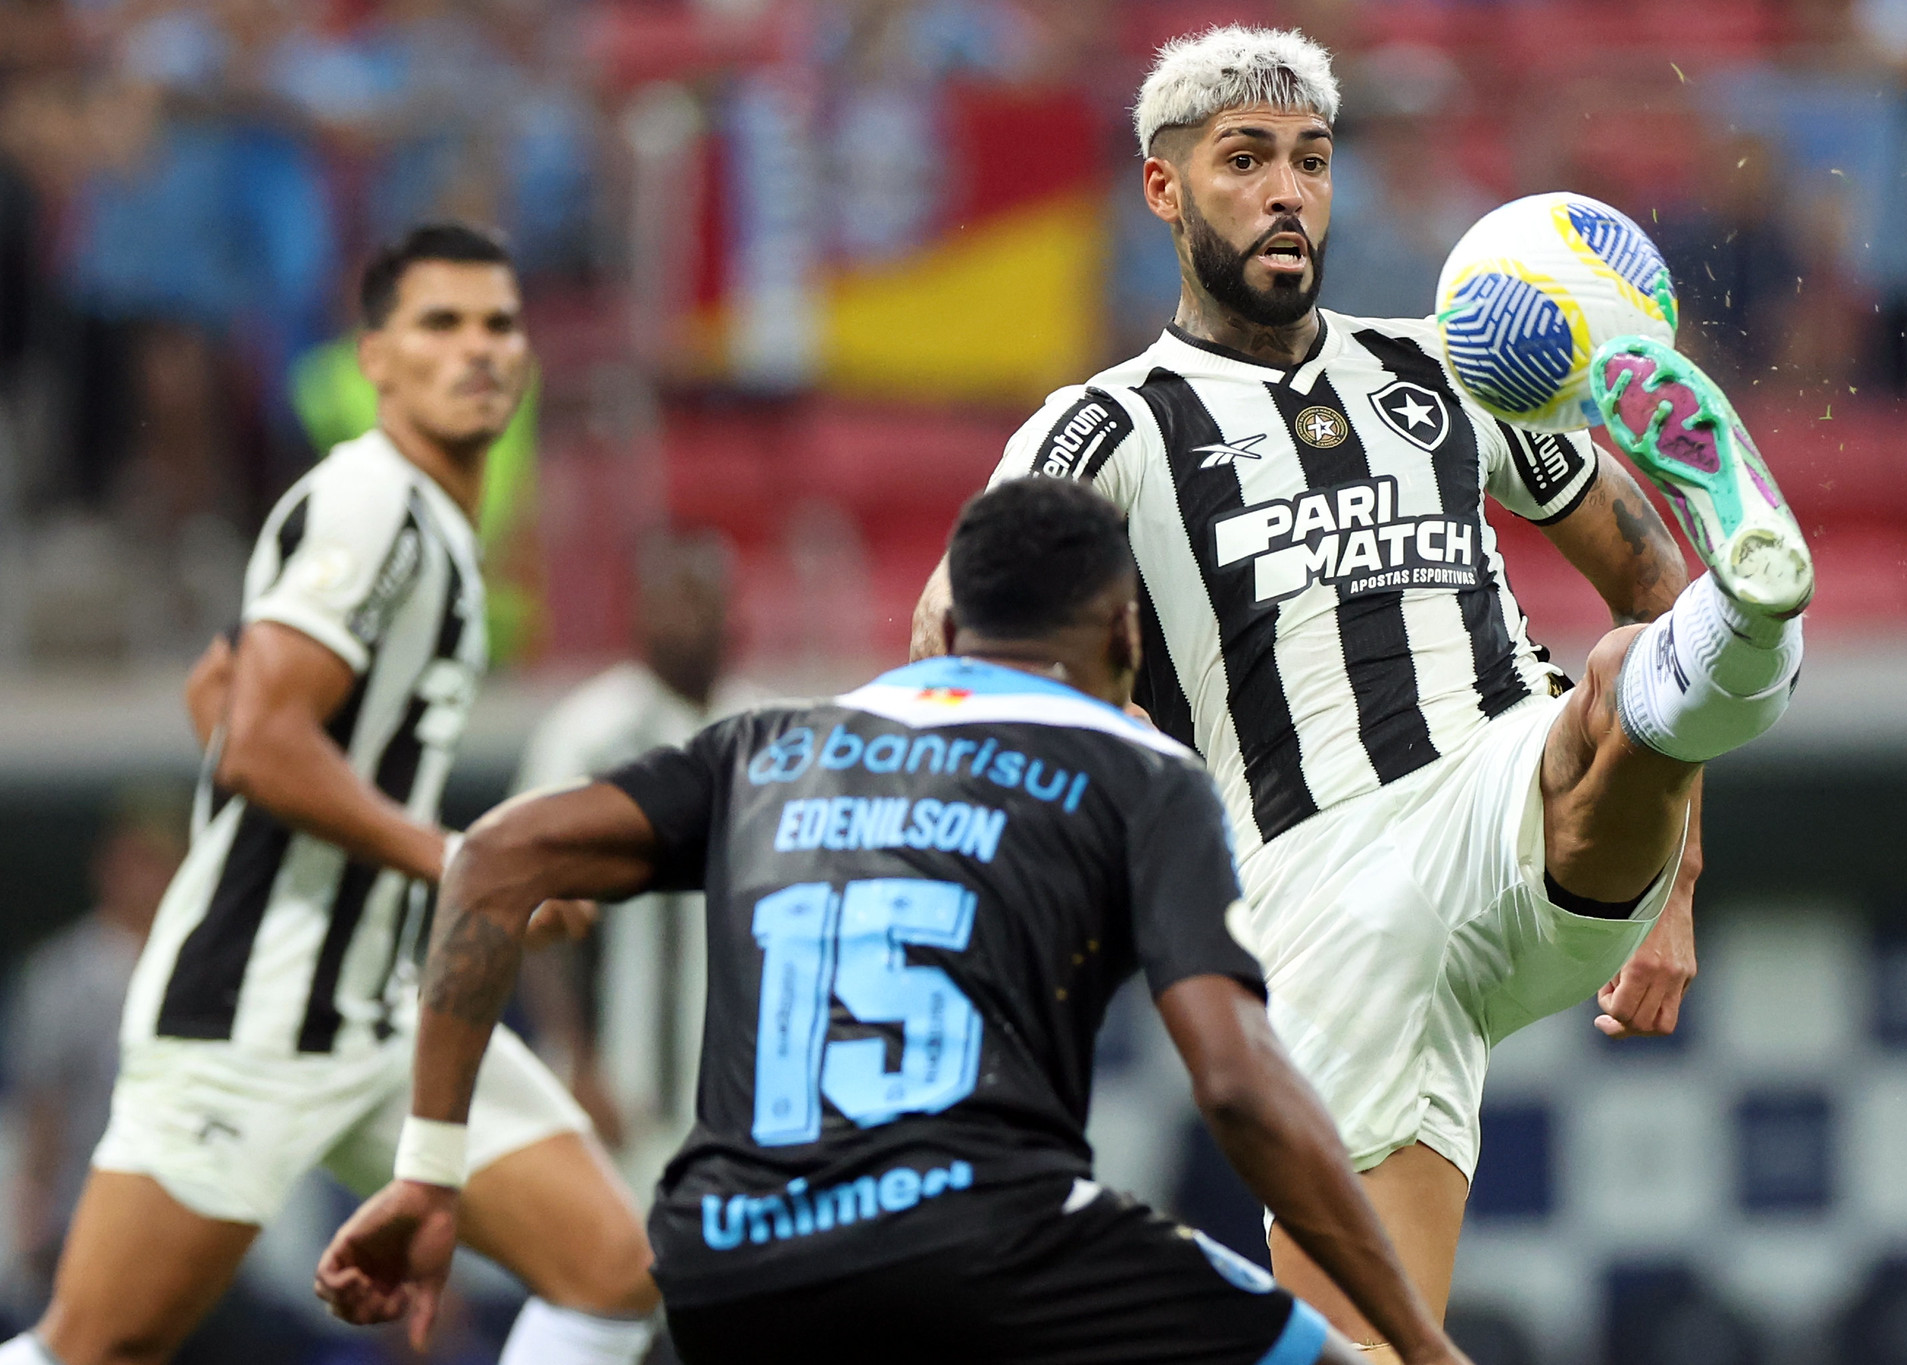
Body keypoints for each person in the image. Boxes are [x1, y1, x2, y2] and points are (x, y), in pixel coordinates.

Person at [908, 26, 1813, 1355]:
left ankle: (1755, 605)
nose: (1288, 191)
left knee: (1629, 673)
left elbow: (1640, 576)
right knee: (1379, 1348)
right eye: (1246, 161)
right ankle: (1745, 648)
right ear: (1164, 189)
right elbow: (948, 636)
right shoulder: (1101, 427)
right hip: (1319, 904)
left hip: (1506, 795)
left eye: (1312, 161)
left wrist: (1675, 875)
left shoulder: (1448, 368)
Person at [313, 478, 1476, 1365]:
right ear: (1124, 632)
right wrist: (1416, 1339)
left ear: (951, 622)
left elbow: (490, 864)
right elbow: (1232, 1081)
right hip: (985, 1241)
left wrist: (428, 1172)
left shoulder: (769, 744)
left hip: (727, 1262)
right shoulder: (1140, 773)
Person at [0, 223, 661, 1365]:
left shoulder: (436, 525)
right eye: (439, 325)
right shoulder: (375, 507)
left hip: (379, 1006)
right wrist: (453, 860)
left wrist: (362, 847)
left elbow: (220, 685)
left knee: (612, 1273)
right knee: (91, 1346)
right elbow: (256, 740)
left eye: (498, 324)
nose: (479, 350)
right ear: (376, 359)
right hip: (252, 1008)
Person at [512, 531, 731, 1181]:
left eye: (704, 596)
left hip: (735, 1098)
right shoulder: (587, 735)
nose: (690, 615)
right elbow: (535, 904)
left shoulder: (764, 726)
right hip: (619, 1089)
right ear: (639, 609)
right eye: (673, 597)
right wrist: (576, 1058)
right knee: (602, 1278)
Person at [5, 793, 183, 1304]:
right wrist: (31, 1220)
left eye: (165, 861)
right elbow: (42, 1112)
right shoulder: (61, 975)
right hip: (83, 1210)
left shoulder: (205, 966)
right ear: (110, 865)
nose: (150, 878)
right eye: (139, 860)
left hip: (189, 1210)